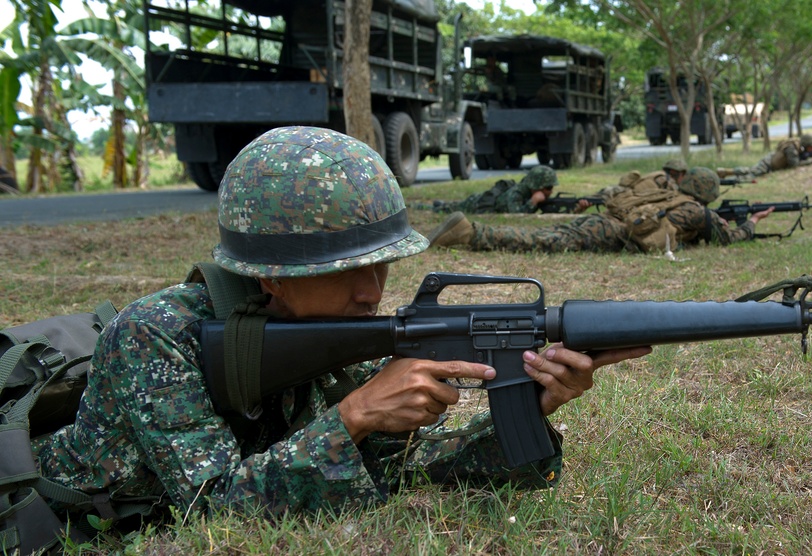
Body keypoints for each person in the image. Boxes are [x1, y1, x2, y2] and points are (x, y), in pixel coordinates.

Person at [34, 127, 651, 519]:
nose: (370, 291)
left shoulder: (332, 325)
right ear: (270, 275)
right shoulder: (156, 335)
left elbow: (400, 465)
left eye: (381, 265)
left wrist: (531, 409)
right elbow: (212, 506)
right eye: (346, 270)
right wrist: (354, 415)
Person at [427, 167, 774, 255]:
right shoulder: (700, 213)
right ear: (709, 194)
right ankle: (471, 233)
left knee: (549, 236)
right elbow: (729, 238)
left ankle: (471, 233)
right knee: (543, 240)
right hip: (611, 233)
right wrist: (753, 222)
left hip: (604, 220)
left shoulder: (665, 190)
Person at [423, 165, 559, 214]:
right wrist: (533, 202)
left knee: (450, 206)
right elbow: (515, 215)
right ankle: (426, 206)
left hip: (481, 202)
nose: (550, 192)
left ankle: (441, 204)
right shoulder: (516, 193)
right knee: (444, 209)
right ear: (536, 185)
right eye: (548, 188)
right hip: (476, 204)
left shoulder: (527, 193)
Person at [716, 134, 812, 181]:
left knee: (751, 171)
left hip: (771, 162)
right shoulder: (792, 148)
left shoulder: (798, 147)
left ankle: (726, 172)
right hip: (768, 163)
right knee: (751, 175)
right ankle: (727, 178)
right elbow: (794, 164)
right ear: (806, 145)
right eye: (811, 147)